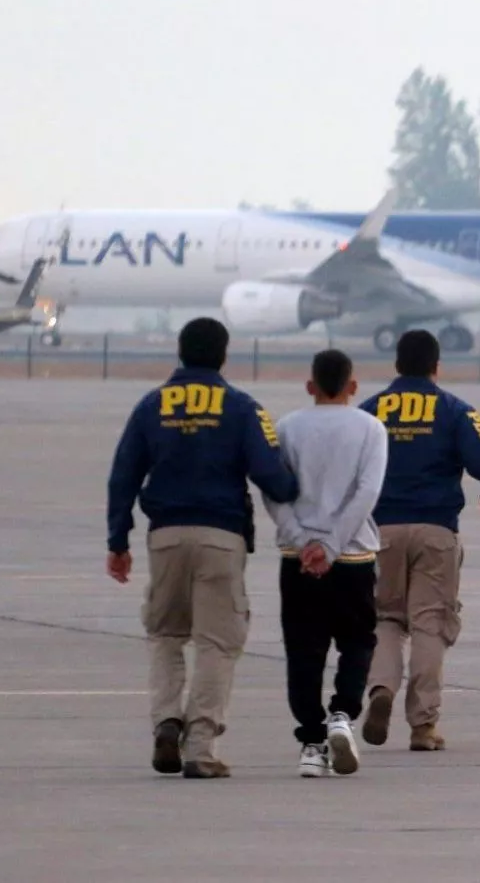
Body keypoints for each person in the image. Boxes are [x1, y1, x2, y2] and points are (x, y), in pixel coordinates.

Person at [106, 317, 300, 779]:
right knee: (217, 641)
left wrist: (118, 540)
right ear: (223, 355)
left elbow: (123, 476)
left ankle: (166, 719)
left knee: (165, 634)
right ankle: (200, 746)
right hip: (221, 537)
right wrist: (295, 486)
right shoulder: (242, 407)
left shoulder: (151, 405)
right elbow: (270, 475)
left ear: (180, 351)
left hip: (165, 537)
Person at [359, 330, 480, 752]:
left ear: (397, 364)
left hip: (382, 531)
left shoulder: (370, 411)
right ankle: (423, 724)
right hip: (435, 530)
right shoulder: (454, 410)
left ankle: (381, 688)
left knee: (385, 619)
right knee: (430, 623)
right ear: (436, 367)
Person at [263, 350, 388, 778]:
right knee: (357, 642)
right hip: (353, 555)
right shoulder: (370, 428)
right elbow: (368, 491)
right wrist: (332, 545)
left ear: (310, 386)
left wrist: (304, 542)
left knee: (303, 649)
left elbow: (273, 491)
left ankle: (312, 743)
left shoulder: (286, 427)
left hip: (297, 559)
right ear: (352, 386)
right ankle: (343, 713)